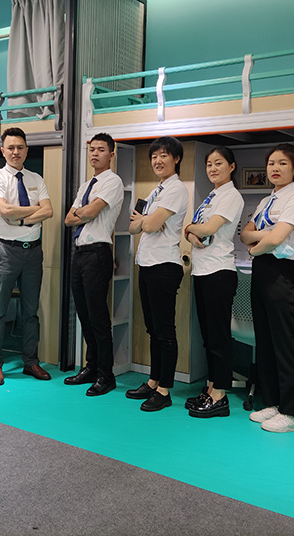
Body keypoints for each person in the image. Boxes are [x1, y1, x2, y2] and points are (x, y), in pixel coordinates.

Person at [240, 143, 294, 432]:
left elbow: (277, 238)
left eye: (282, 163)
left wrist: (257, 246)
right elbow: (245, 234)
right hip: (261, 270)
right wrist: (261, 239)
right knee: (266, 340)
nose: (275, 168)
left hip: (282, 272)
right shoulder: (266, 201)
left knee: (286, 343)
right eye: (271, 163)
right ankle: (272, 402)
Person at [0, 127, 54, 386]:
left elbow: (48, 211)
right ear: (3, 151)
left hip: (33, 251)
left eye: (20, 147)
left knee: (30, 311)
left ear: (26, 150)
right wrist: (32, 211)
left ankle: (30, 361)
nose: (16, 152)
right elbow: (4, 211)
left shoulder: (36, 178)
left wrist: (21, 217)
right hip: (6, 251)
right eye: (11, 148)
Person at [126, 136, 189, 412]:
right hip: (147, 263)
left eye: (164, 155)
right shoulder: (154, 193)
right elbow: (132, 227)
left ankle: (164, 389)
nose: (158, 161)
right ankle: (153, 381)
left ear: (176, 159)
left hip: (165, 265)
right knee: (152, 329)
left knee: (164, 331)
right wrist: (147, 221)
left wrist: (147, 222)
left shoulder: (176, 189)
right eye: (154, 156)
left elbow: (148, 226)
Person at [183, 146, 244, 417]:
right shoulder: (211, 197)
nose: (213, 168)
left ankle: (220, 395)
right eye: (209, 164)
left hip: (219, 271)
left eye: (219, 163)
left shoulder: (231, 196)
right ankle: (210, 388)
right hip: (202, 271)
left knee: (219, 337)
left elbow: (206, 229)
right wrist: (190, 231)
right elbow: (192, 231)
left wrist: (190, 229)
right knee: (208, 337)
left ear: (232, 166)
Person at [62, 133, 124, 396]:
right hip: (79, 252)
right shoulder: (87, 185)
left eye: (101, 149)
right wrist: (82, 212)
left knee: (98, 316)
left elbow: (88, 212)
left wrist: (82, 212)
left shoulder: (113, 182)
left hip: (98, 253)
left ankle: (106, 374)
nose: (95, 154)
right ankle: (91, 366)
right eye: (92, 149)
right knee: (84, 314)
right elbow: (68, 219)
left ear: (111, 154)